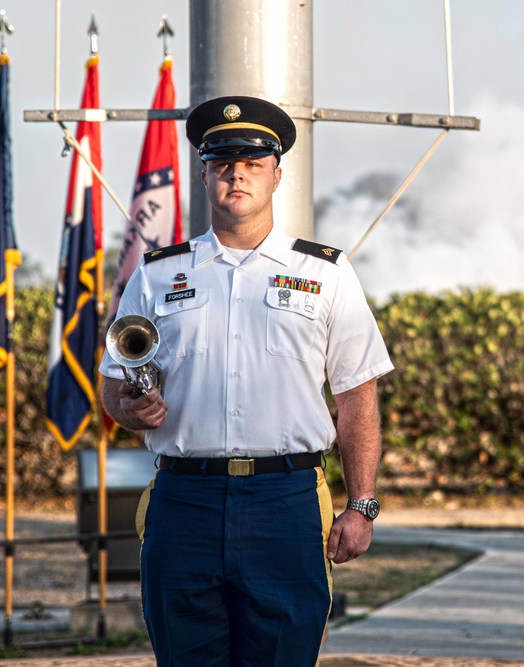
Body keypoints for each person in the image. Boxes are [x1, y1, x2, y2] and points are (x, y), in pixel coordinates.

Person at [100, 95, 393, 666]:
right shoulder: (158, 274)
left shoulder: (325, 274)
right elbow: (115, 382)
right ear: (205, 174)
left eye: (253, 163)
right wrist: (131, 409)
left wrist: (361, 505)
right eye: (223, 162)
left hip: (286, 502)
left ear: (276, 176)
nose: (237, 174)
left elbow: (358, 399)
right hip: (185, 500)